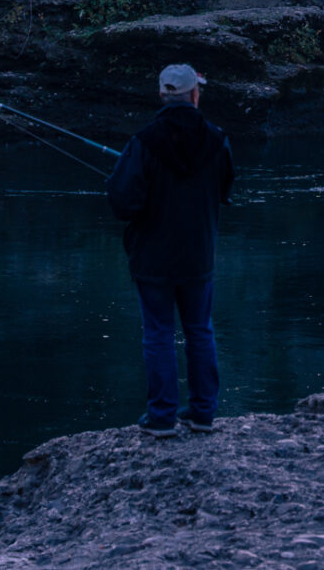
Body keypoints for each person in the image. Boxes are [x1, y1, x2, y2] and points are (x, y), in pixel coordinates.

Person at [106, 63, 234, 437]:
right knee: (200, 330)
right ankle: (203, 413)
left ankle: (161, 417)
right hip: (199, 256)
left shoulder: (143, 142)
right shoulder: (218, 139)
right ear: (195, 95)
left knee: (158, 333)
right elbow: (225, 191)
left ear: (163, 95)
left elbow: (122, 204)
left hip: (153, 258)